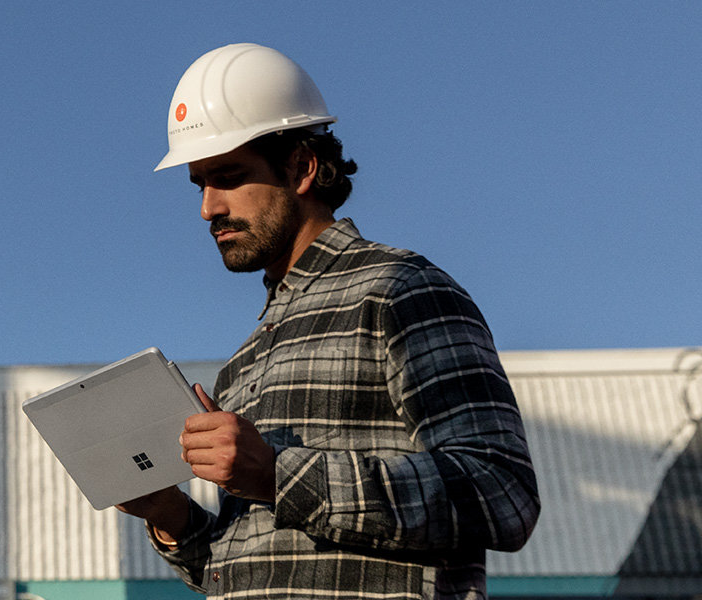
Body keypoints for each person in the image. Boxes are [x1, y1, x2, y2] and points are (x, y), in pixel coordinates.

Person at [116, 43, 540, 599]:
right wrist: (170, 514)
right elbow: (256, 568)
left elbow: (502, 493)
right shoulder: (242, 365)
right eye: (200, 184)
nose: (208, 208)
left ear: (302, 168)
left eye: (229, 176)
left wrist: (276, 474)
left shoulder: (401, 290)